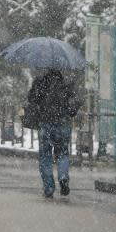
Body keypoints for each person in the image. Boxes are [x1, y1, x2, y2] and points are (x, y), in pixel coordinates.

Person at [27, 69, 81, 198]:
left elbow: (31, 100)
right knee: (62, 153)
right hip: (62, 124)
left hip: (45, 124)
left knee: (45, 156)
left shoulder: (40, 83)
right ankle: (63, 177)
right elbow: (73, 109)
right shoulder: (66, 86)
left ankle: (49, 186)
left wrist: (36, 88)